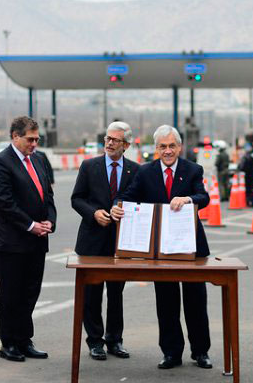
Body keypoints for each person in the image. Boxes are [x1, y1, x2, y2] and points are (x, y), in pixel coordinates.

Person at [110, 125, 212, 370]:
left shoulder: (192, 170)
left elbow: (204, 197)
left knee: (195, 302)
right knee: (166, 303)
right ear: (156, 149)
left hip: (191, 249)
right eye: (163, 147)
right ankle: (171, 353)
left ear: (179, 147)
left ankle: (201, 352)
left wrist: (188, 199)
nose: (168, 151)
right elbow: (127, 195)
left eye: (172, 146)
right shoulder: (146, 172)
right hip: (160, 250)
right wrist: (117, 205)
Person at [0, 116, 57, 362]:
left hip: (37, 241)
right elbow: (4, 202)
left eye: (37, 139)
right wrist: (30, 226)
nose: (34, 144)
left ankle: (24, 339)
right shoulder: (1, 163)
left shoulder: (38, 160)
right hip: (12, 242)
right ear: (15, 136)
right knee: (11, 295)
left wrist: (50, 220)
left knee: (31, 293)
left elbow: (47, 196)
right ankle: (9, 343)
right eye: (30, 139)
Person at [71, 121, 139, 361]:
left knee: (116, 293)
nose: (109, 143)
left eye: (115, 140)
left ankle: (115, 340)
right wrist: (93, 213)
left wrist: (126, 210)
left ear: (126, 145)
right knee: (91, 294)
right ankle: (95, 341)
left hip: (121, 242)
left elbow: (139, 202)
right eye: (107, 139)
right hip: (92, 239)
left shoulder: (135, 170)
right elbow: (77, 199)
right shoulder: (89, 167)